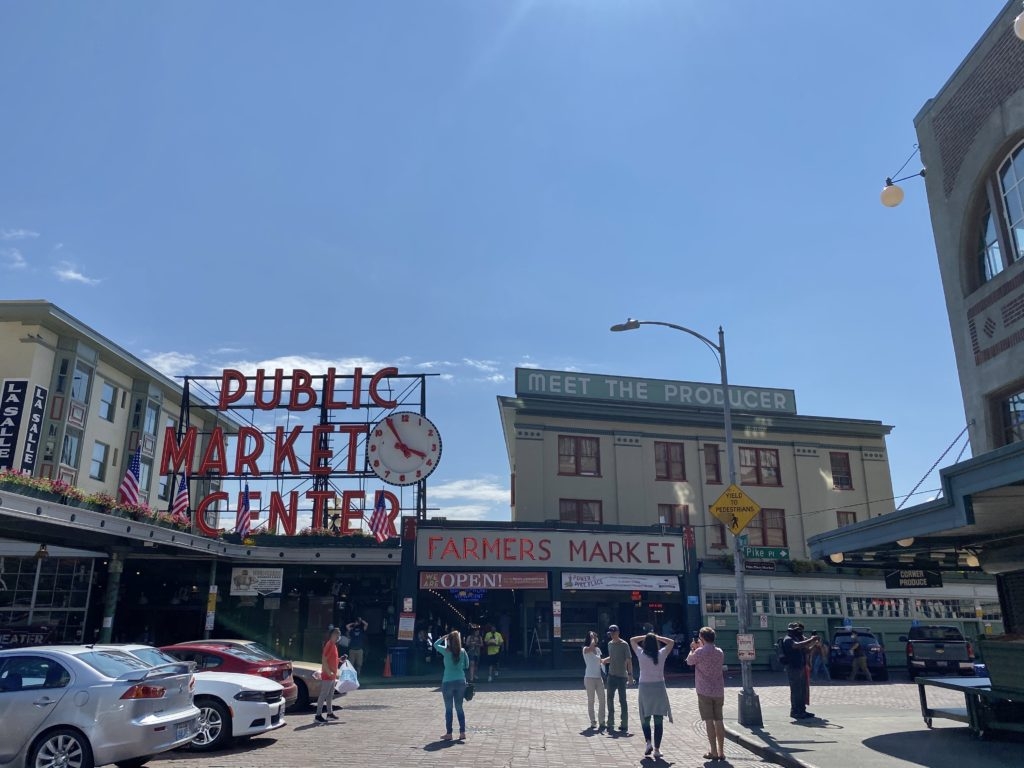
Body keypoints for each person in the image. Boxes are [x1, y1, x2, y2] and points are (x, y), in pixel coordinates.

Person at [629, 631, 674, 759]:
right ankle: (657, 749)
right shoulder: (661, 654)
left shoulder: (641, 653)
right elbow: (671, 642)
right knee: (658, 719)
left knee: (645, 717)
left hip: (644, 687)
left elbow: (632, 639)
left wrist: (646, 636)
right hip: (659, 687)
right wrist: (657, 637)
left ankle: (648, 742)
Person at [687, 626, 726, 761]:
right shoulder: (720, 652)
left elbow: (689, 661)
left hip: (704, 690)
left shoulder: (699, 652)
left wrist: (693, 648)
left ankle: (713, 751)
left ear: (702, 638)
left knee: (709, 721)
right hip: (718, 690)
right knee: (719, 720)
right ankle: (721, 751)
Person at [433, 629, 469, 741]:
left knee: (448, 709)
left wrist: (444, 637)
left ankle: (449, 733)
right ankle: (462, 732)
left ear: (449, 641)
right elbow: (467, 666)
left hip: (447, 682)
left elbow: (435, 644)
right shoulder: (463, 651)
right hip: (460, 682)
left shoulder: (445, 651)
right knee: (459, 708)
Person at [782, 622, 820, 720]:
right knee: (796, 691)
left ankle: (802, 710)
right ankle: (795, 711)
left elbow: (806, 651)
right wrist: (810, 639)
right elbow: (796, 646)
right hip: (793, 668)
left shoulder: (797, 639)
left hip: (801, 667)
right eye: (797, 630)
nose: (799, 632)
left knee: (802, 690)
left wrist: (814, 645)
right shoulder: (788, 639)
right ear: (791, 631)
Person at [601, 624, 634, 733]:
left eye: (614, 633)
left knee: (622, 700)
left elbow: (629, 660)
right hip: (611, 675)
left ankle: (624, 724)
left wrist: (630, 676)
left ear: (618, 633)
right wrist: (605, 660)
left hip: (621, 676)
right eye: (610, 633)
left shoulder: (624, 645)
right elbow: (613, 657)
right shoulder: (610, 644)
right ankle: (610, 723)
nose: (612, 635)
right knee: (609, 699)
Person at [315, 626, 341, 723]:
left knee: (330, 695)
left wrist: (339, 660)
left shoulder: (334, 645)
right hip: (328, 675)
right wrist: (328, 672)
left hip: (332, 675)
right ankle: (318, 715)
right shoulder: (329, 644)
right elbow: (324, 659)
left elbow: (332, 660)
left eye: (338, 634)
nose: (338, 636)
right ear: (332, 635)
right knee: (323, 695)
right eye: (336, 634)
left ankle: (329, 713)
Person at [582, 630, 606, 730]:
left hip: (598, 677)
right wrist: (592, 637)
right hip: (589, 678)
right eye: (594, 637)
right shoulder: (585, 649)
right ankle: (593, 721)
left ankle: (602, 721)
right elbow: (591, 648)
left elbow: (601, 661)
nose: (596, 639)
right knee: (591, 700)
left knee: (602, 700)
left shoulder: (598, 649)